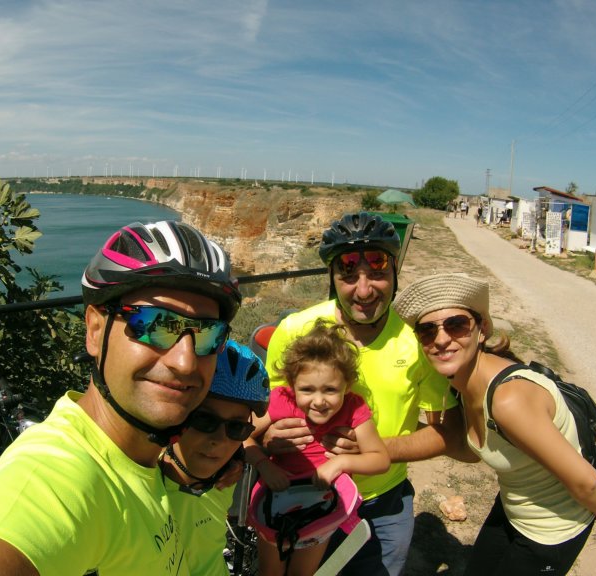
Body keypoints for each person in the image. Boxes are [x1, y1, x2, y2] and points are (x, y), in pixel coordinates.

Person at [0, 220, 243, 575]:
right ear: (95, 330)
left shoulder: (143, 454)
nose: (185, 362)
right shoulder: (57, 472)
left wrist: (230, 455)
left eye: (208, 334)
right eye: (155, 324)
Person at [261, 211, 461, 576]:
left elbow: (447, 434)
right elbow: (263, 413)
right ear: (332, 278)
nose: (364, 290)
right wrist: (265, 438)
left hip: (382, 504)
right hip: (301, 496)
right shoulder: (293, 331)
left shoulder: (420, 342)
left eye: (378, 271)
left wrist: (375, 449)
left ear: (395, 273)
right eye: (349, 273)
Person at [393, 273, 596, 576]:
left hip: (551, 532)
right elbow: (470, 450)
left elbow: (587, 483)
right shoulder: (462, 383)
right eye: (427, 330)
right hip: (513, 508)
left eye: (456, 324)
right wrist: (393, 428)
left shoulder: (508, 400)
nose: (441, 339)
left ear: (482, 329)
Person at [245, 319, 390, 576]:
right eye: (307, 390)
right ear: (291, 384)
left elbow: (380, 459)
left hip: (322, 506)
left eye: (330, 390)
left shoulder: (354, 407)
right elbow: (240, 436)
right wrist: (264, 465)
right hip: (276, 498)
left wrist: (341, 462)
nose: (319, 401)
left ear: (347, 384)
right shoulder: (281, 400)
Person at [161, 339, 270, 576]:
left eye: (236, 428)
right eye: (204, 420)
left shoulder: (225, 476)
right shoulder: (140, 483)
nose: (219, 440)